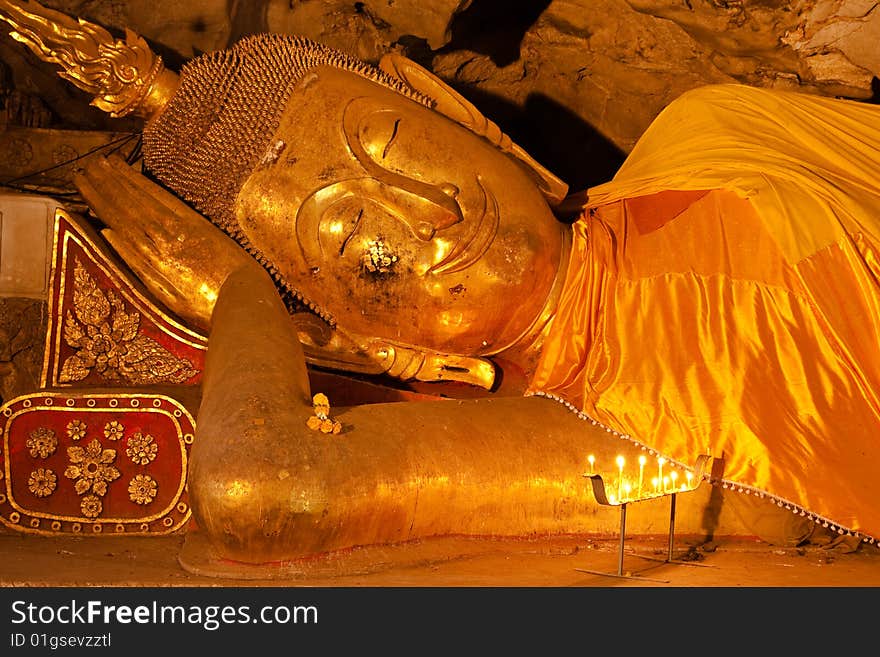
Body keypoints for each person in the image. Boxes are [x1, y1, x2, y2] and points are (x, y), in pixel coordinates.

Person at [2, 0, 878, 569]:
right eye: (361, 246)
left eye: (395, 143)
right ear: (392, 346)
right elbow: (267, 489)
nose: (430, 208)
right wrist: (243, 292)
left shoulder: (713, 125)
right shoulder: (595, 430)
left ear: (468, 122)